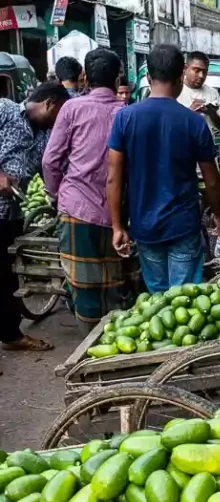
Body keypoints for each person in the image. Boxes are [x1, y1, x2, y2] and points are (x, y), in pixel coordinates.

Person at [107, 44, 220, 292]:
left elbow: (113, 179)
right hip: (183, 224)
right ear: (181, 75)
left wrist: (118, 227)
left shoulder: (125, 118)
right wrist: (218, 213)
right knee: (184, 299)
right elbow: (212, 181)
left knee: (158, 298)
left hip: (145, 226)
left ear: (148, 78)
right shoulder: (194, 122)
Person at [43, 49, 125, 334]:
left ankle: (89, 344)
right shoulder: (126, 113)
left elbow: (50, 160)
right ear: (117, 79)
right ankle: (114, 339)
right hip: (117, 212)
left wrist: (56, 195)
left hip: (76, 207)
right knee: (115, 283)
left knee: (82, 284)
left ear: (85, 78)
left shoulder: (72, 108)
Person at [0, 83, 69, 351]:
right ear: (49, 103)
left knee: (6, 278)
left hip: (10, 214)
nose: (59, 120)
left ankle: (10, 335)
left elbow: (50, 167)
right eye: (59, 113)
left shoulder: (46, 136)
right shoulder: (6, 110)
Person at [177, 51, 220, 134]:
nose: (201, 76)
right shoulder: (175, 91)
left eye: (205, 71)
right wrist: (190, 111)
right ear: (185, 68)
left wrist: (213, 114)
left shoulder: (212, 93)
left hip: (206, 146)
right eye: (197, 70)